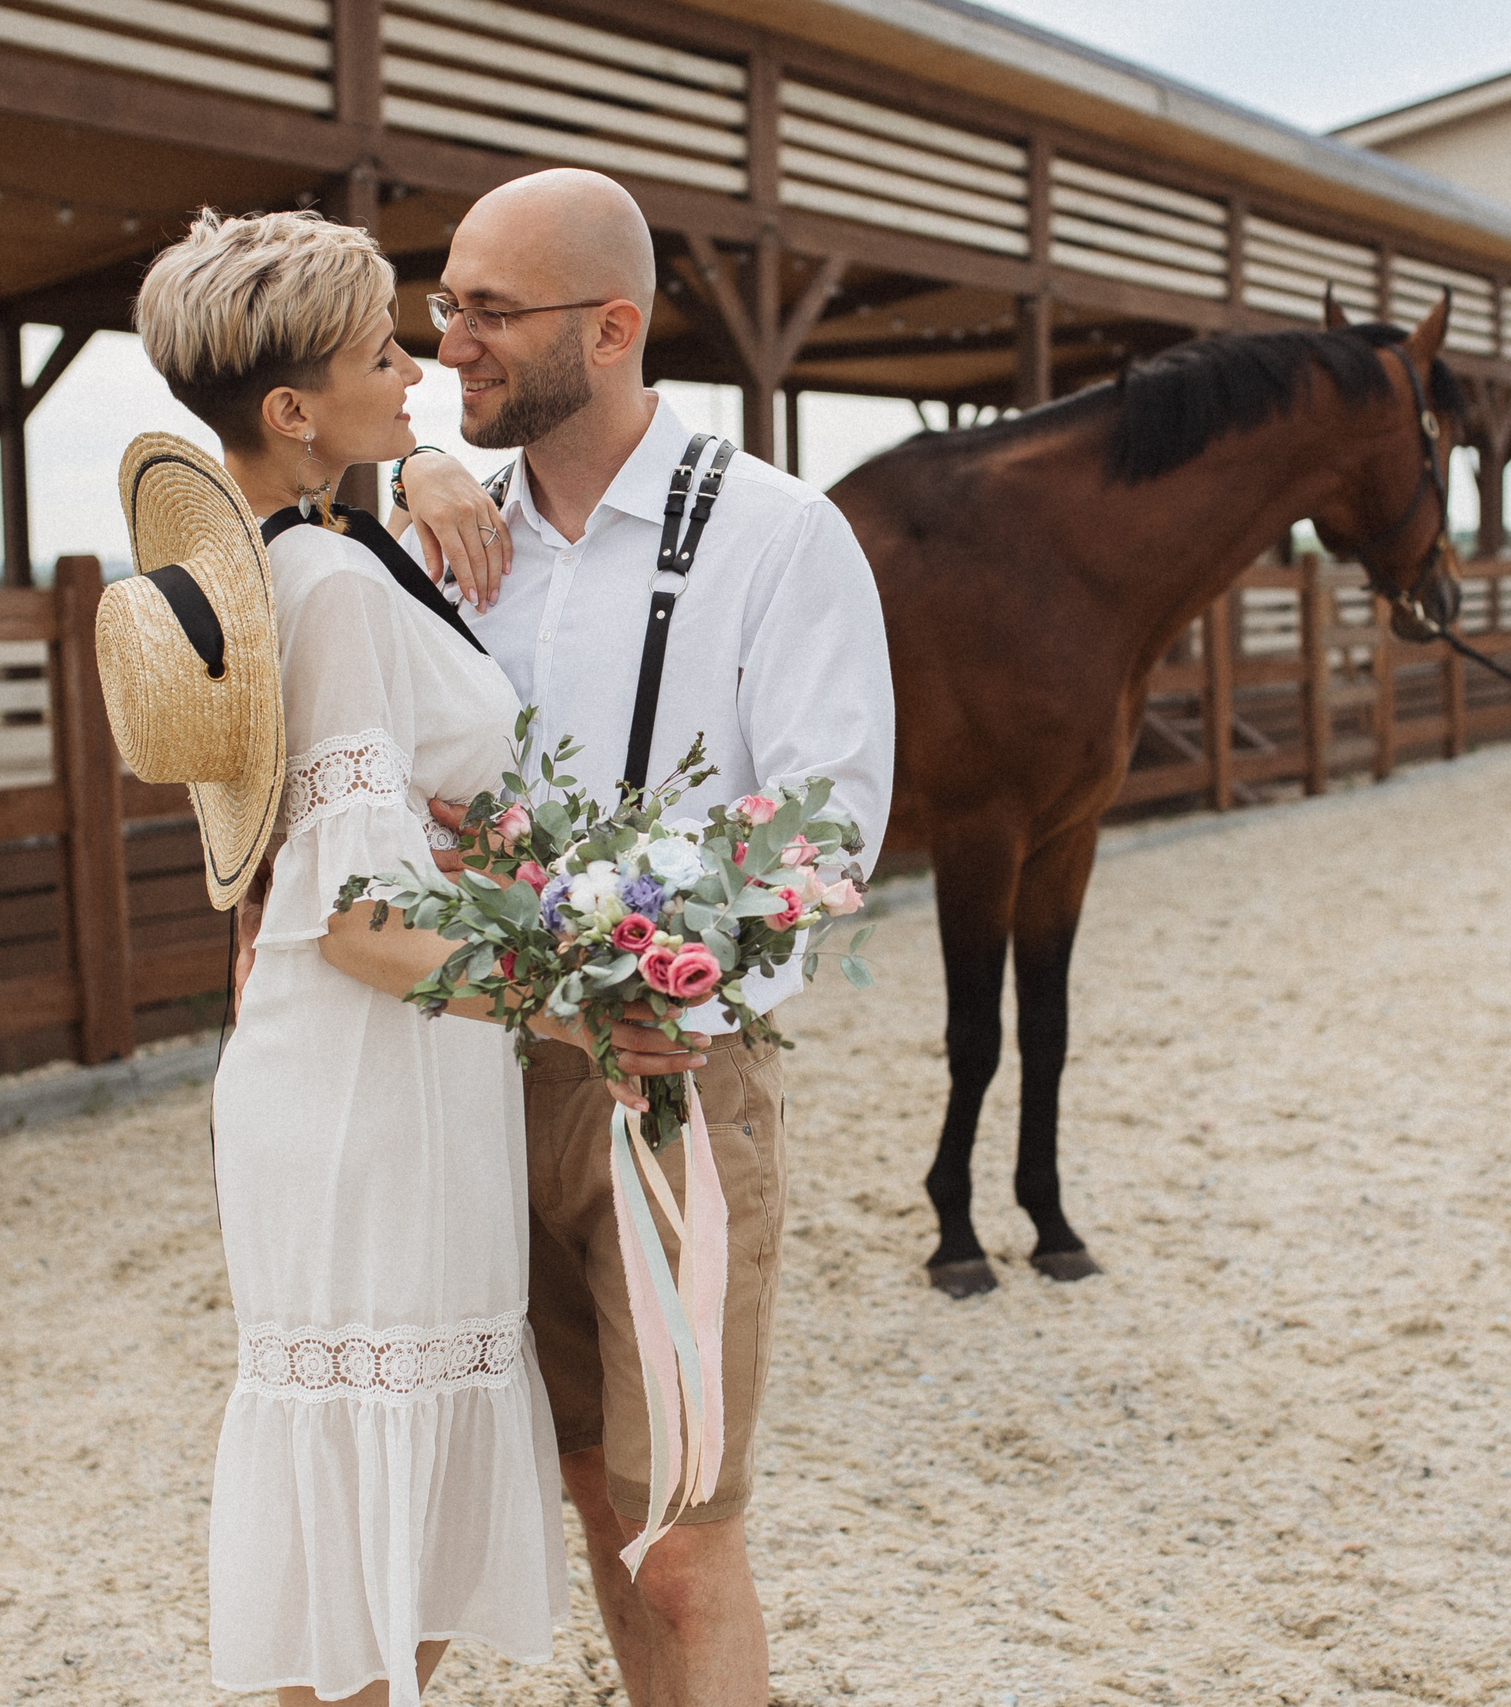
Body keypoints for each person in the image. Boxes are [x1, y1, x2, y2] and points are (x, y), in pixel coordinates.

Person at [131, 207, 656, 1705]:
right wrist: (583, 1014)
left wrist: (413, 473)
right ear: (296, 411)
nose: (419, 369)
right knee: (384, 1538)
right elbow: (360, 924)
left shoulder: (280, 561)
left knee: (363, 1517)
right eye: (382, 355)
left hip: (333, 1074)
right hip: (377, 1085)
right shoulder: (340, 591)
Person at [403, 168, 896, 1706]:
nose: (453, 345)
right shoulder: (436, 537)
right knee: (591, 1498)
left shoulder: (775, 534)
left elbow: (826, 829)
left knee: (679, 1535)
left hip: (665, 1085)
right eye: (448, 304)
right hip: (476, 1086)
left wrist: (680, 985)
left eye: (491, 312)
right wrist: (396, 479)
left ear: (612, 327)